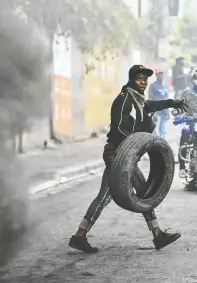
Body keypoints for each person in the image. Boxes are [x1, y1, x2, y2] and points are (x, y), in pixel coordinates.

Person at [69, 65, 188, 253]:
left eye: (145, 79)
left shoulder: (137, 100)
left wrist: (173, 102)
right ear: (132, 79)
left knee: (143, 193)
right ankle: (79, 235)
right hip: (117, 155)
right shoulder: (124, 99)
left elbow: (152, 105)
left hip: (126, 157)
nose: (143, 82)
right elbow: (118, 127)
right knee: (106, 196)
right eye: (139, 78)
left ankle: (157, 233)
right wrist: (131, 145)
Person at [149, 68, 170, 138]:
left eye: (162, 74)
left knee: (163, 130)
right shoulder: (152, 86)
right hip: (156, 111)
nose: (161, 75)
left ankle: (163, 145)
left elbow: (167, 98)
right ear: (156, 75)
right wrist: (153, 112)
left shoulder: (165, 85)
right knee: (156, 130)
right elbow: (151, 99)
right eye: (159, 74)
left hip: (164, 111)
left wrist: (168, 111)